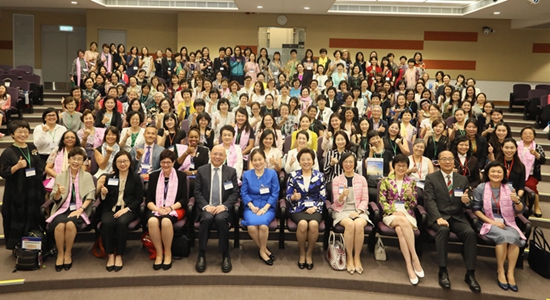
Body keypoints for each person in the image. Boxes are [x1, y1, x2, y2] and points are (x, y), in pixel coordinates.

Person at [424, 150, 481, 293]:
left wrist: (467, 202)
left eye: (450, 159)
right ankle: (442, 271)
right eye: (444, 159)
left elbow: (468, 202)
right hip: (439, 216)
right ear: (438, 162)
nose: (448, 161)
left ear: (454, 161)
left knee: (470, 233)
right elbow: (429, 201)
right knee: (443, 230)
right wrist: (438, 218)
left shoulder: (462, 179)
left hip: (457, 216)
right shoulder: (431, 178)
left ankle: (470, 274)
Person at [473, 161, 526, 292]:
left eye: (499, 172)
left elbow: (519, 210)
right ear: (487, 173)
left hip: (507, 221)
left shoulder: (509, 188)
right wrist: (493, 222)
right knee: (503, 236)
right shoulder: (481, 188)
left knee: (514, 236)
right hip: (487, 222)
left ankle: (510, 273)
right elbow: (476, 210)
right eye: (493, 171)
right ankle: (501, 270)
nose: (496, 174)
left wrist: (517, 201)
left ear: (504, 174)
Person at [47, 148, 95, 271]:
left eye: (79, 159)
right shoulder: (60, 176)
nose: (76, 162)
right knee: (59, 225)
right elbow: (54, 198)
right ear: (68, 160)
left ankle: (68, 253)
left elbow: (90, 196)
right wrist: (58, 192)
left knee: (70, 224)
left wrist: (81, 210)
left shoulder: (87, 176)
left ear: (83, 162)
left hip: (80, 209)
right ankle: (60, 254)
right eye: (73, 158)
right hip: (62, 208)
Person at [194, 145, 240, 273]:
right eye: (215, 154)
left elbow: (234, 193)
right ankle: (201, 254)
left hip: (223, 208)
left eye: (221, 155)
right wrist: (206, 206)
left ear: (225, 157)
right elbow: (197, 192)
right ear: (210, 155)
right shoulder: (202, 170)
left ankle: (225, 254)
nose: (217, 157)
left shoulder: (231, 172)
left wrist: (224, 206)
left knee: (221, 219)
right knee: (207, 218)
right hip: (206, 207)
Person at [379, 154, 424, 285]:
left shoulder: (411, 182)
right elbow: (382, 202)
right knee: (402, 222)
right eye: (398, 165)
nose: (401, 168)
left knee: (400, 230)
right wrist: (394, 211)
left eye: (404, 165)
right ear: (394, 166)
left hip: (407, 213)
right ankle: (415, 258)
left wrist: (410, 196)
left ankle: (409, 266)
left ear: (407, 167)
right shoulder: (386, 181)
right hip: (391, 214)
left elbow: (414, 205)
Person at [0, 121, 46, 250]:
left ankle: (34, 245)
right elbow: (4, 172)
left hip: (34, 189)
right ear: (12, 134)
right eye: (19, 131)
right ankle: (18, 247)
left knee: (35, 216)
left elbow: (39, 165)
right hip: (17, 191)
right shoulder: (8, 152)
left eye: (25, 131)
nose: (23, 134)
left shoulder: (32, 147)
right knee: (18, 217)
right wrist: (16, 167)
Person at [96, 150, 143, 272]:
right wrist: (103, 194)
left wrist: (126, 209)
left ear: (130, 162)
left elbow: (138, 199)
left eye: (125, 161)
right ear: (115, 163)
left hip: (129, 209)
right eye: (119, 161)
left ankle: (119, 255)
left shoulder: (136, 178)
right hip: (110, 208)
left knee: (122, 223)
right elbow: (103, 200)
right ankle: (110, 254)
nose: (122, 164)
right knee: (107, 223)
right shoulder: (110, 177)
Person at [146, 150, 188, 271]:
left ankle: (168, 253)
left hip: (176, 208)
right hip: (157, 208)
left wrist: (170, 208)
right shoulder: (154, 176)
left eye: (168, 162)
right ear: (159, 163)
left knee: (165, 221)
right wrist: (157, 209)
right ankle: (159, 253)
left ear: (173, 162)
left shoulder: (181, 176)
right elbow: (148, 199)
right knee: (152, 221)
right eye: (163, 162)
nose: (165, 165)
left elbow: (184, 199)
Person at [331, 152, 371, 275]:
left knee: (358, 225)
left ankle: (357, 257)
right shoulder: (337, 180)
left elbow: (365, 199)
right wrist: (342, 196)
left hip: (359, 210)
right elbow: (336, 202)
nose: (348, 164)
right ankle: (349, 257)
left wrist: (358, 211)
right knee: (349, 224)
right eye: (345, 162)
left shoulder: (362, 179)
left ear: (354, 164)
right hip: (342, 211)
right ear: (342, 164)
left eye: (351, 162)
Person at [286, 148, 326, 270]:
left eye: (308, 159)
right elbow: (287, 195)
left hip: (315, 207)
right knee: (302, 224)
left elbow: (323, 196)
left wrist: (315, 207)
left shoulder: (320, 176)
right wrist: (293, 197)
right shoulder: (293, 176)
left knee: (314, 225)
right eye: (303, 159)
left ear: (313, 161)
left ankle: (309, 253)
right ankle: (302, 252)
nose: (306, 162)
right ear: (299, 161)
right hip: (298, 207)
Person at [241, 149, 280, 265]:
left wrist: (265, 208)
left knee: (263, 226)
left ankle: (262, 251)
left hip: (267, 206)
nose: (257, 162)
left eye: (260, 159)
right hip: (251, 206)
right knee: (252, 227)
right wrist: (251, 206)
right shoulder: (247, 174)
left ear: (264, 159)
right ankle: (264, 250)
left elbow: (275, 193)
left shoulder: (272, 173)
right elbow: (244, 193)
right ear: (251, 162)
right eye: (255, 160)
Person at [517, 127, 546, 217]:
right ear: (521, 135)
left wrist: (536, 154)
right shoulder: (516, 145)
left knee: (530, 186)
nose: (527, 135)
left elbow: (543, 160)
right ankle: (525, 204)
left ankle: (536, 206)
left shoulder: (537, 147)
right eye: (525, 133)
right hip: (517, 173)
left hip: (532, 174)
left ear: (534, 136)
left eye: (530, 133)